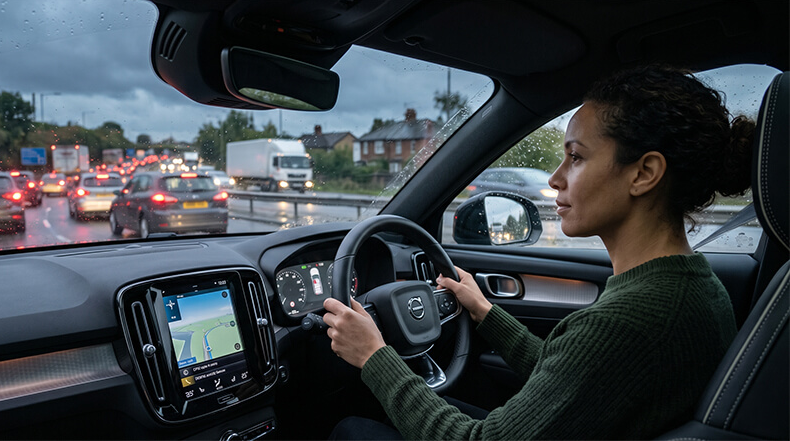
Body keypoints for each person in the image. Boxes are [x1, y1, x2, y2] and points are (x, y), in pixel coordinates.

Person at [322, 64, 754, 440]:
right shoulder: (688, 287)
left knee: (350, 428)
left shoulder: (632, 321)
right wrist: (485, 311)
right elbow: (567, 375)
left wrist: (375, 357)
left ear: (644, 173)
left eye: (576, 158)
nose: (554, 178)